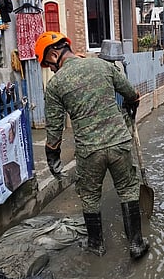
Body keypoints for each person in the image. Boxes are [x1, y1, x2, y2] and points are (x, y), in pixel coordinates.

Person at [34, 31, 149, 260]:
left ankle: (96, 244)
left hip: (89, 151)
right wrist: (131, 103)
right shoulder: (103, 66)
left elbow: (54, 131)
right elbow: (131, 94)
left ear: (54, 53)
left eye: (49, 64)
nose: (51, 70)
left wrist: (52, 157)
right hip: (119, 143)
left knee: (90, 195)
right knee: (128, 190)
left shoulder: (56, 85)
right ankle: (136, 243)